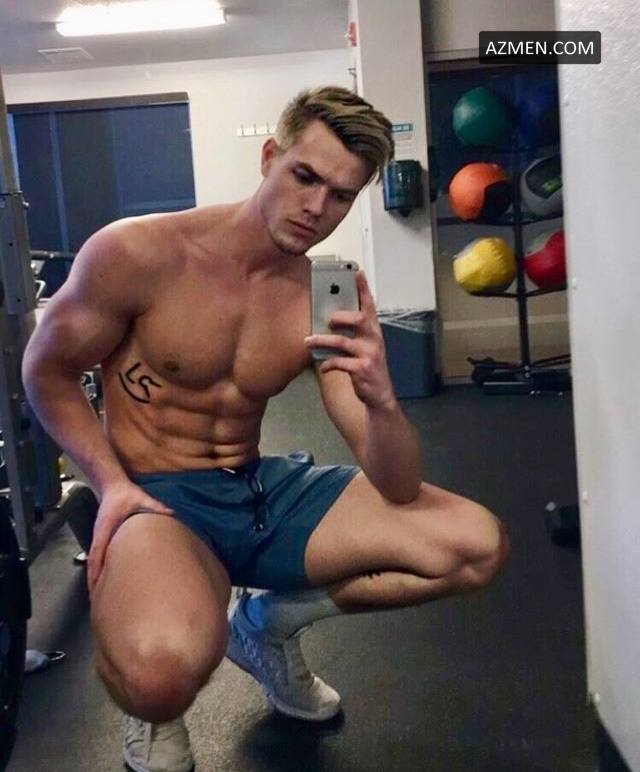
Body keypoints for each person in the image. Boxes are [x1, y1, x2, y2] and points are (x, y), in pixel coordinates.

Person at [22, 86, 509, 772]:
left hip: (257, 491)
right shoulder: (140, 253)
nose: (316, 208)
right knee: (159, 676)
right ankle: (155, 704)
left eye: (340, 196)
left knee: (474, 546)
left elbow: (398, 485)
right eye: (304, 176)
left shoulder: (324, 290)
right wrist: (111, 485)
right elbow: (46, 370)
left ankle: (266, 625)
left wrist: (381, 398)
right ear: (270, 157)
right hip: (160, 500)